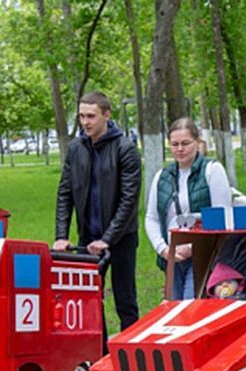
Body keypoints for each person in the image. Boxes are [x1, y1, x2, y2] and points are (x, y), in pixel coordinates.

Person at [54, 92, 142, 342]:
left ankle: (129, 355)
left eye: (91, 116)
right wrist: (61, 235)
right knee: (89, 299)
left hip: (121, 237)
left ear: (106, 115)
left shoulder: (125, 149)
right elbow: (65, 193)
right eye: (82, 116)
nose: (85, 122)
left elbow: (129, 200)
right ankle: (98, 355)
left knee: (125, 300)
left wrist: (108, 238)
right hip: (88, 237)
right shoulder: (76, 148)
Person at [145, 118, 231, 300]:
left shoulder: (212, 170)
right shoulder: (162, 176)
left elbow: (223, 217)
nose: (180, 149)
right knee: (174, 312)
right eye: (174, 144)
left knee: (191, 309)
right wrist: (163, 249)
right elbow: (151, 218)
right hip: (171, 258)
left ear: (197, 142)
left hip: (202, 258)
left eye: (185, 143)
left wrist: (194, 247)